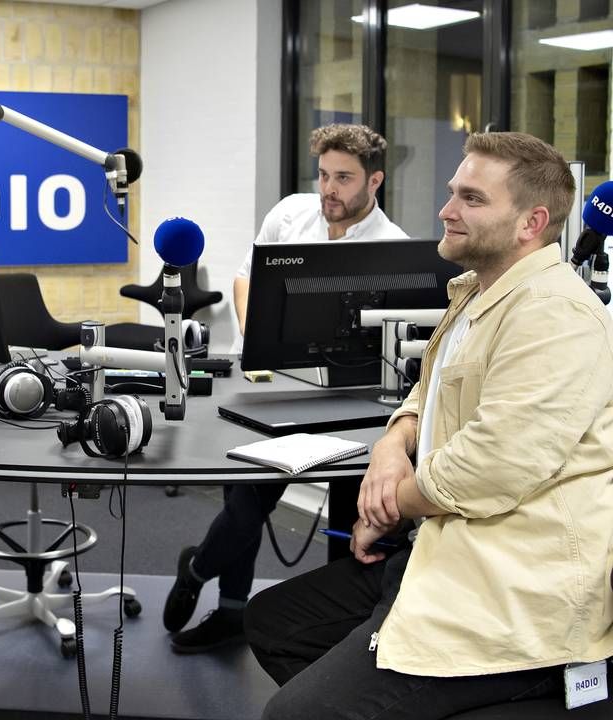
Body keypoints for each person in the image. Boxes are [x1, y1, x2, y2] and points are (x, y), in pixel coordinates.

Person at [244, 131, 613, 719]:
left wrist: (387, 505)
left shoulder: (555, 314)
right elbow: (429, 387)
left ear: (531, 221)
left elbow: (488, 470)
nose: (446, 211)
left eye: (472, 198)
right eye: (451, 193)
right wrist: (394, 442)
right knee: (275, 622)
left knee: (294, 715)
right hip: (442, 547)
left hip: (512, 588)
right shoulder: (477, 293)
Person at [164, 123, 408, 653]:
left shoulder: (393, 247)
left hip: (353, 401)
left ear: (375, 182)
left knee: (350, 520)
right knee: (248, 506)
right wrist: (260, 344)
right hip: (270, 386)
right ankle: (225, 605)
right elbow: (245, 278)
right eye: (323, 174)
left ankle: (333, 639)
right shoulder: (292, 213)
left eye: (344, 178)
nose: (329, 189)